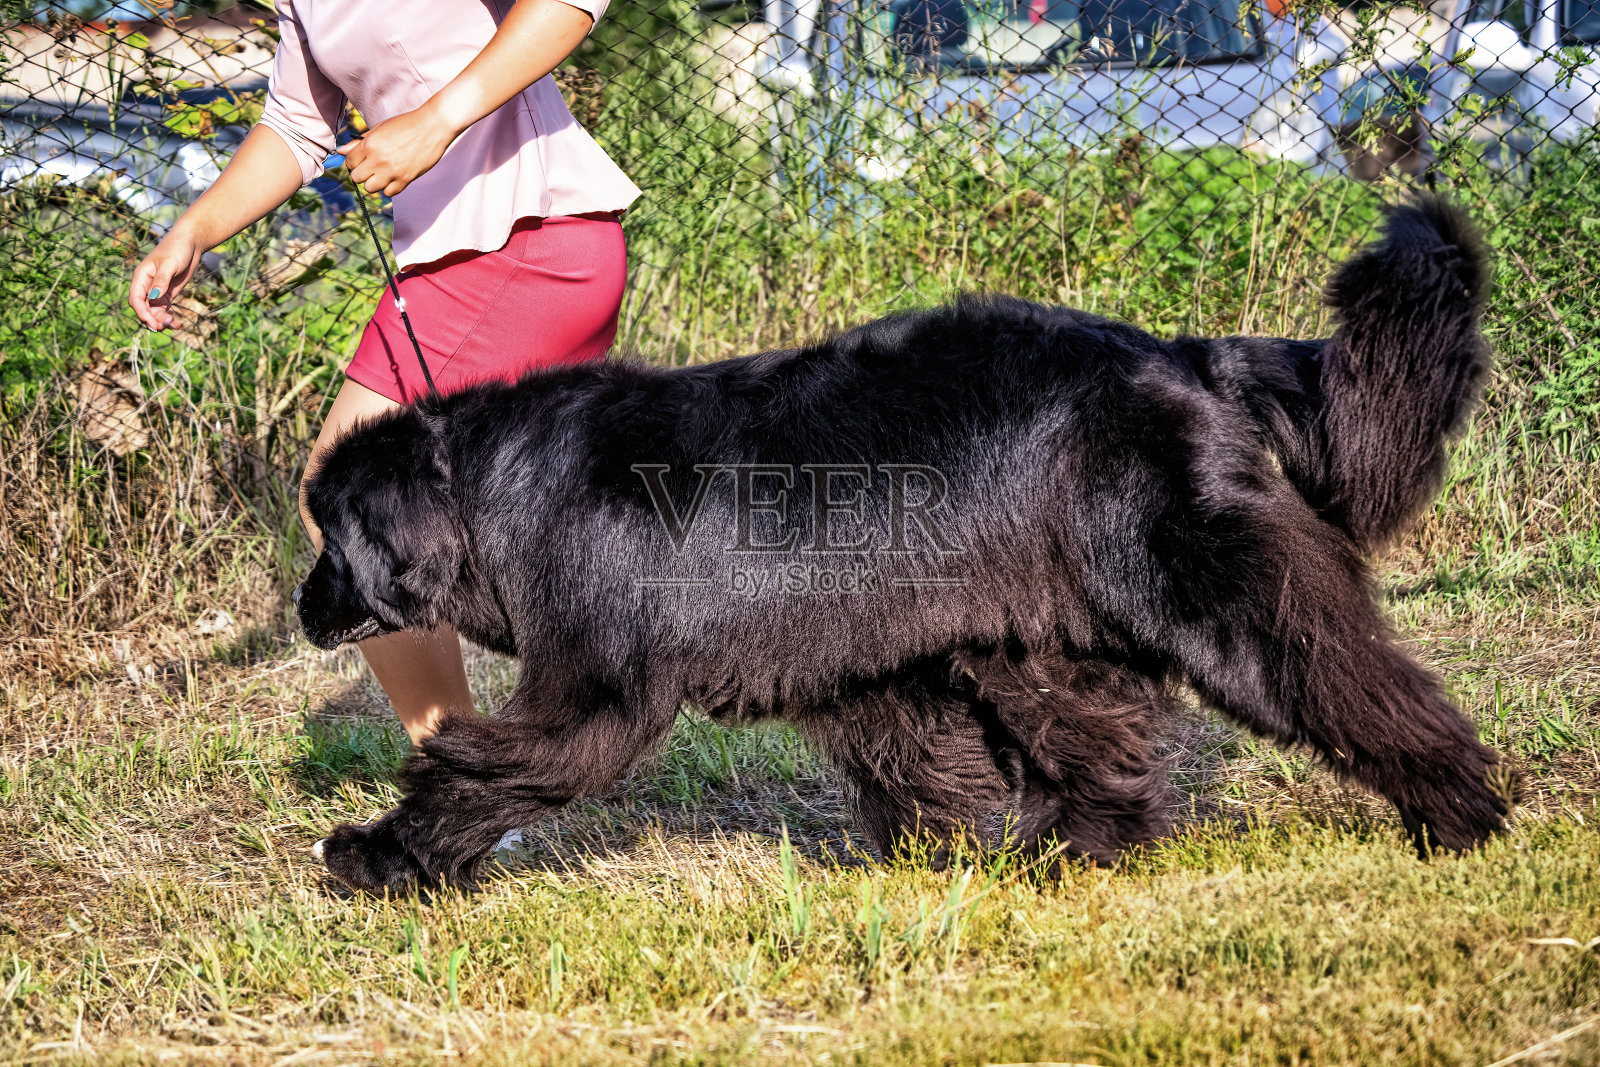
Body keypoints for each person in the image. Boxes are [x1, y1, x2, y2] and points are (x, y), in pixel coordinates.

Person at [128, 0, 640, 747]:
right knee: (502, 525)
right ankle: (608, 699)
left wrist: (437, 120)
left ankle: (463, 776)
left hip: (523, 241)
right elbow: (297, 128)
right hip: (470, 255)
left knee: (354, 502)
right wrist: (193, 230)